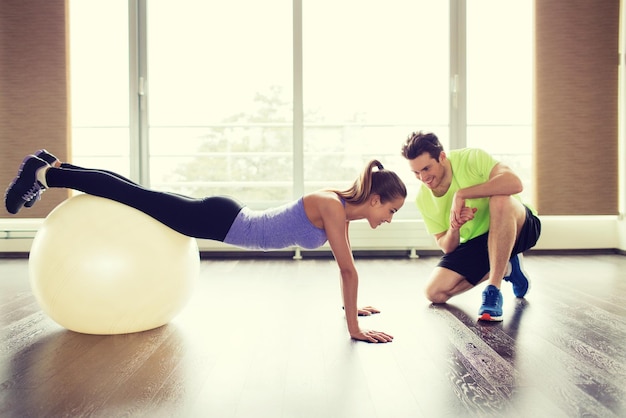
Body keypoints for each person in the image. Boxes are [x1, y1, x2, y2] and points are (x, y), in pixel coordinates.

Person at [5, 150, 407, 342]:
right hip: (221, 221)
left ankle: (52, 166)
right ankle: (41, 174)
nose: (389, 219)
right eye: (391, 211)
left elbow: (346, 266)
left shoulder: (341, 211)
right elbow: (348, 269)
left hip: (225, 217)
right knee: (134, 196)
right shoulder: (333, 207)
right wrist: (355, 328)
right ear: (375, 199)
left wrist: (352, 307)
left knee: (137, 192)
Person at [400, 131, 541, 321]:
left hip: (521, 226)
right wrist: (454, 226)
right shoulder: (423, 199)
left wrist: (462, 194)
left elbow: (514, 183)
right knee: (435, 293)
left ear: (441, 157)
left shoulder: (471, 158)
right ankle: (507, 266)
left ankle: (493, 289)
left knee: (500, 200)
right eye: (416, 172)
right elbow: (446, 246)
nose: (423, 178)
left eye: (426, 169)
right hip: (481, 242)